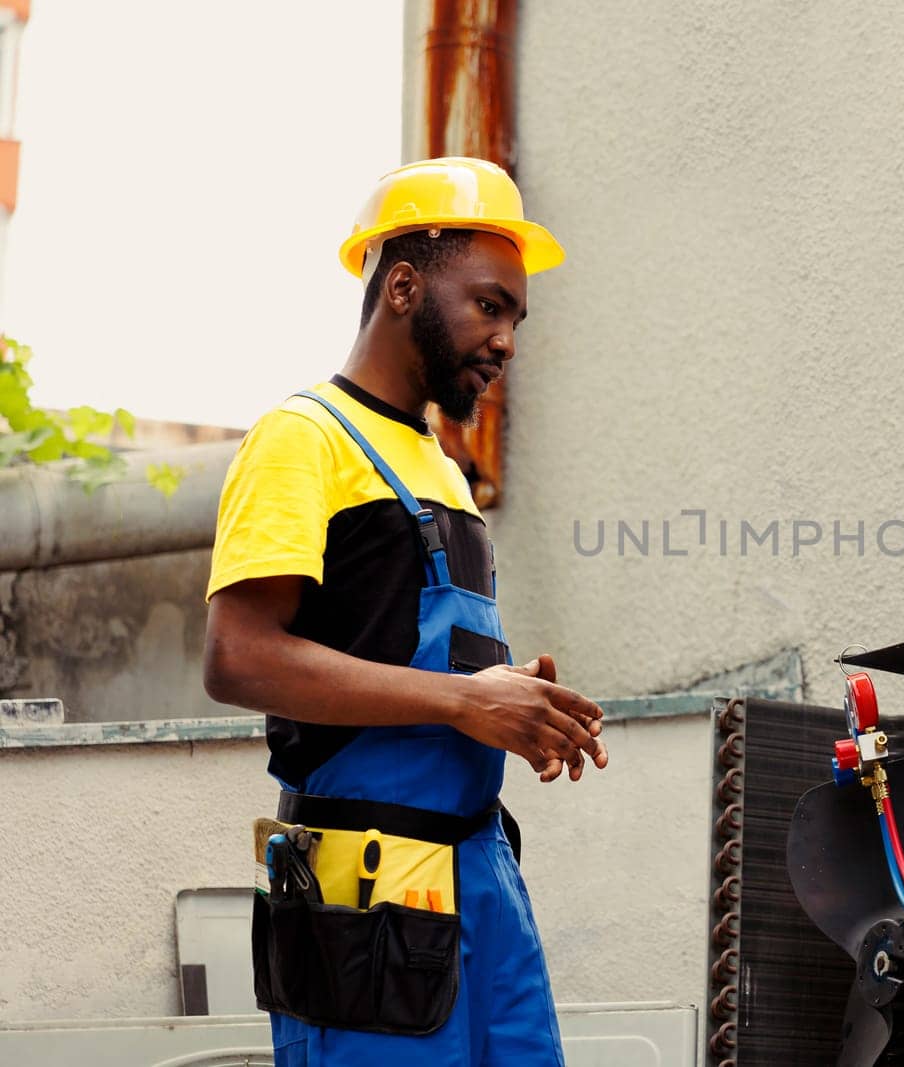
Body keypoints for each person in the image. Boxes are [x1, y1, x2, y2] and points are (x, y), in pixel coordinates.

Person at [203, 156, 606, 1067]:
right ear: (402, 285)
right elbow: (237, 657)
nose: (506, 339)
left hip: (476, 881)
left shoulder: (440, 468)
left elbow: (405, 653)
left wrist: (508, 700)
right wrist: (464, 702)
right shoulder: (301, 440)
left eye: (515, 317)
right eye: (488, 304)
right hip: (365, 904)